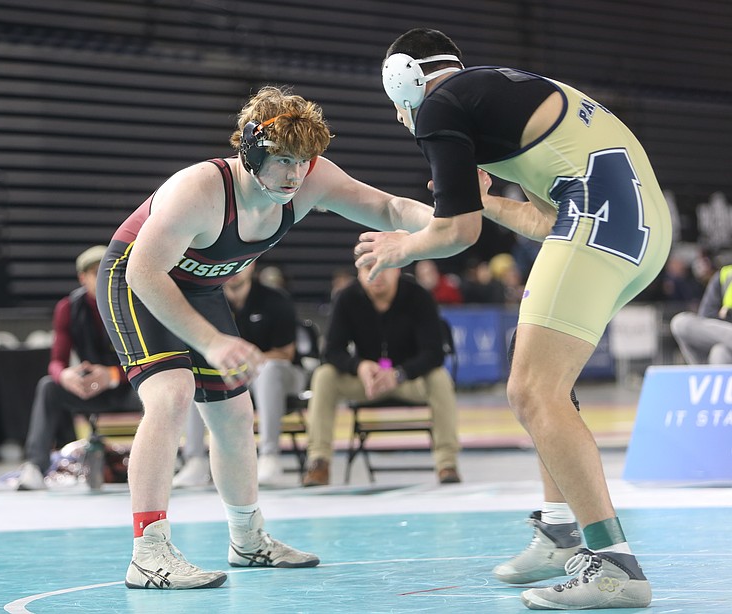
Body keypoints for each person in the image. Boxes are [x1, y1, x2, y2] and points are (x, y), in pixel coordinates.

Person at [355, 28, 673, 610]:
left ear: (402, 78)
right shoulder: (498, 93)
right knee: (540, 376)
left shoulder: (439, 106)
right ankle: (560, 529)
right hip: (637, 229)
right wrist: (482, 201)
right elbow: (543, 222)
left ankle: (613, 565)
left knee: (531, 390)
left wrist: (403, 247)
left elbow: (458, 232)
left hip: (599, 221)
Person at [96, 85, 436, 590]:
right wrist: (211, 341)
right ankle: (148, 552)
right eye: (283, 161)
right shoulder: (201, 190)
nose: (296, 175)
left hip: (201, 285)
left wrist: (454, 223)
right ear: (252, 150)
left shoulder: (309, 179)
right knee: (171, 394)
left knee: (235, 413)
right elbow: (146, 273)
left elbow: (387, 209)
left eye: (305, 161)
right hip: (138, 278)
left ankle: (248, 541)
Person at [301, 263, 460, 487]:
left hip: (408, 380)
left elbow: (434, 353)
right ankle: (319, 461)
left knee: (440, 377)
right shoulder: (347, 297)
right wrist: (360, 366)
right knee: (324, 375)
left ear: (397, 269)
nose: (376, 275)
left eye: (384, 267)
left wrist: (400, 373)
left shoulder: (418, 296)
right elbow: (332, 351)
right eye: (368, 269)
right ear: (359, 273)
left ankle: (447, 463)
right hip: (367, 383)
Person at [16, 246, 142, 490]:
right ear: (82, 277)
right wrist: (66, 376)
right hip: (91, 389)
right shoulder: (68, 308)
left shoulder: (132, 302)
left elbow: (149, 358)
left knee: (157, 386)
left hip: (130, 387)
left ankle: (168, 462)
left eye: (106, 271)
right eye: (96, 272)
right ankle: (34, 466)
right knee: (48, 387)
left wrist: (113, 375)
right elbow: (57, 361)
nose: (103, 277)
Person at [175, 262, 307, 487]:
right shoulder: (208, 301)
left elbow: (285, 353)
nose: (233, 270)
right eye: (226, 264)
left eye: (239, 264)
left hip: (280, 374)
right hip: (228, 374)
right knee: (196, 374)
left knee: (269, 370)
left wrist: (247, 362)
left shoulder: (275, 299)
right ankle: (195, 460)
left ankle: (269, 456)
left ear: (252, 264)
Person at [670, 263, 732, 365]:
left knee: (720, 352)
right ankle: (705, 376)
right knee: (680, 323)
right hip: (722, 339)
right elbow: (707, 319)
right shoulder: (726, 275)